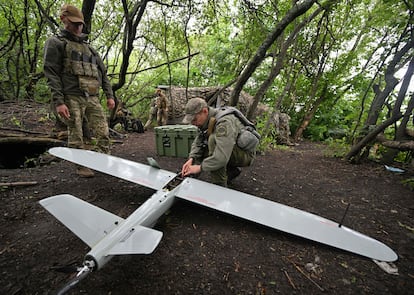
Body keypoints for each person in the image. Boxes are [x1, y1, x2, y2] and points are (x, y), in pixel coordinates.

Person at [43, 4, 115, 177]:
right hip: (71, 96)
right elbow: (51, 73)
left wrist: (109, 95)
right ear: (63, 20)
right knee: (76, 134)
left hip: (92, 97)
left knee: (103, 133)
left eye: (80, 24)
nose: (78, 27)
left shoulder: (89, 48)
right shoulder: (55, 43)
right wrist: (59, 102)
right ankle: (81, 165)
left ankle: (99, 161)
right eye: (74, 23)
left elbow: (102, 73)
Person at [181, 97, 259, 187]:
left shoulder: (224, 122)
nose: (193, 123)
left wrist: (199, 168)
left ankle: (219, 185)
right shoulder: (207, 119)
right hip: (230, 150)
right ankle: (231, 171)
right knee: (203, 146)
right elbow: (199, 140)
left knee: (212, 140)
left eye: (194, 119)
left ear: (205, 111)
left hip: (245, 155)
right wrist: (192, 158)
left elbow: (221, 157)